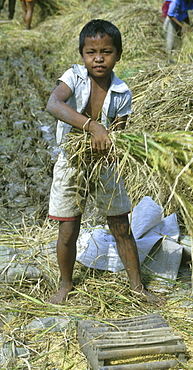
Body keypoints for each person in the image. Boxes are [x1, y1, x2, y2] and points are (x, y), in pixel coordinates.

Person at [46, 19, 158, 305]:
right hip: (72, 160)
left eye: (106, 52)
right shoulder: (73, 77)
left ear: (118, 54)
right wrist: (92, 127)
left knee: (121, 226)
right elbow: (54, 104)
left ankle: (137, 287)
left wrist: (109, 142)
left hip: (105, 163)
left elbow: (118, 133)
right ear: (82, 54)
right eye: (91, 52)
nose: (98, 58)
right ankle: (66, 283)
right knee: (68, 228)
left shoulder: (122, 92)